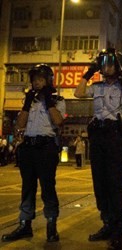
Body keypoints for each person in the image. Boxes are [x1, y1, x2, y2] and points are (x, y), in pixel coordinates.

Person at [74, 48, 122, 249]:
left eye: (110, 63)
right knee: (100, 182)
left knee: (116, 183)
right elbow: (78, 92)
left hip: (115, 136)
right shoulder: (96, 86)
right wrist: (89, 73)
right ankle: (106, 223)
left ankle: (118, 230)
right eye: (103, 63)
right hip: (97, 136)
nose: (106, 67)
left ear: (116, 67)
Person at [1, 64, 65, 243]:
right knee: (27, 187)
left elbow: (59, 121)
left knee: (47, 188)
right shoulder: (30, 102)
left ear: (48, 81)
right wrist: (28, 103)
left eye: (40, 79)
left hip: (46, 148)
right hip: (28, 147)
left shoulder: (58, 99)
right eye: (34, 79)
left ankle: (51, 226)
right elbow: (20, 125)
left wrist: (48, 101)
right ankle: (24, 225)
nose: (37, 83)